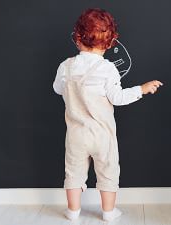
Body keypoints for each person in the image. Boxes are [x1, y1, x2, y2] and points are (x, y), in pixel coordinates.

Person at [53, 8, 163, 222]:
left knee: (73, 173)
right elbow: (117, 97)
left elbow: (57, 89)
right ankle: (109, 212)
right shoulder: (108, 68)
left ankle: (73, 212)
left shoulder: (66, 66)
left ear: (77, 38)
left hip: (76, 134)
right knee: (108, 172)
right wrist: (141, 89)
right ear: (110, 42)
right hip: (102, 135)